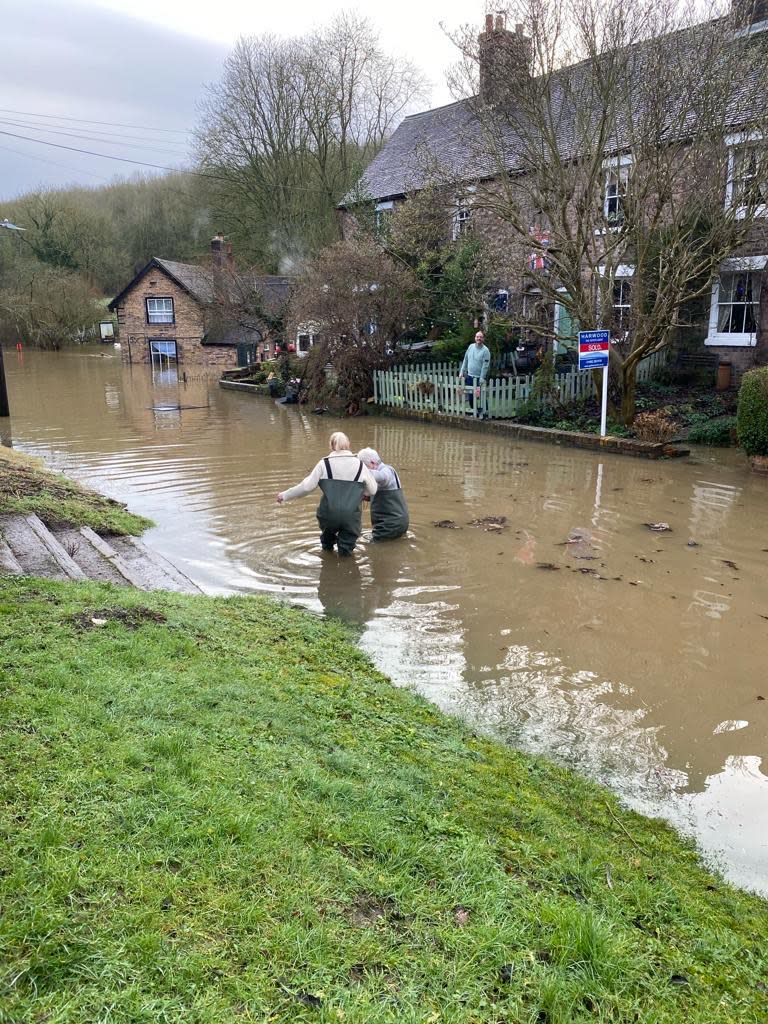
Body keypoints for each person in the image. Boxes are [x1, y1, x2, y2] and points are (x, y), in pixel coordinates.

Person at [276, 432, 377, 555]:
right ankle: (346, 568)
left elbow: (306, 487)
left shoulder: (324, 464)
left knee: (327, 544)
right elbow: (373, 490)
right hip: (351, 516)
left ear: (331, 446)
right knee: (346, 550)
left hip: (328, 514)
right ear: (348, 445)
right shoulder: (360, 465)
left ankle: (327, 557)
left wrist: (285, 495)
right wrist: (360, 492)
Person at [357, 448, 409, 541]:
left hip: (389, 525)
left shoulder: (387, 470)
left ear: (373, 462)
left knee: (373, 551)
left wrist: (359, 472)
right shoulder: (381, 473)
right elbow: (381, 495)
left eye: (364, 467)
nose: (364, 471)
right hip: (398, 523)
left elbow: (383, 477)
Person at [458, 330, 491, 414]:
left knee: (481, 396)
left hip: (479, 378)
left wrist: (482, 378)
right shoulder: (470, 347)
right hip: (470, 377)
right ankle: (475, 411)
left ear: (483, 339)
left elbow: (485, 366)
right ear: (475, 338)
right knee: (471, 397)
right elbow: (465, 359)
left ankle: (485, 412)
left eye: (480, 337)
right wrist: (462, 371)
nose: (478, 338)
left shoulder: (485, 351)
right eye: (477, 337)